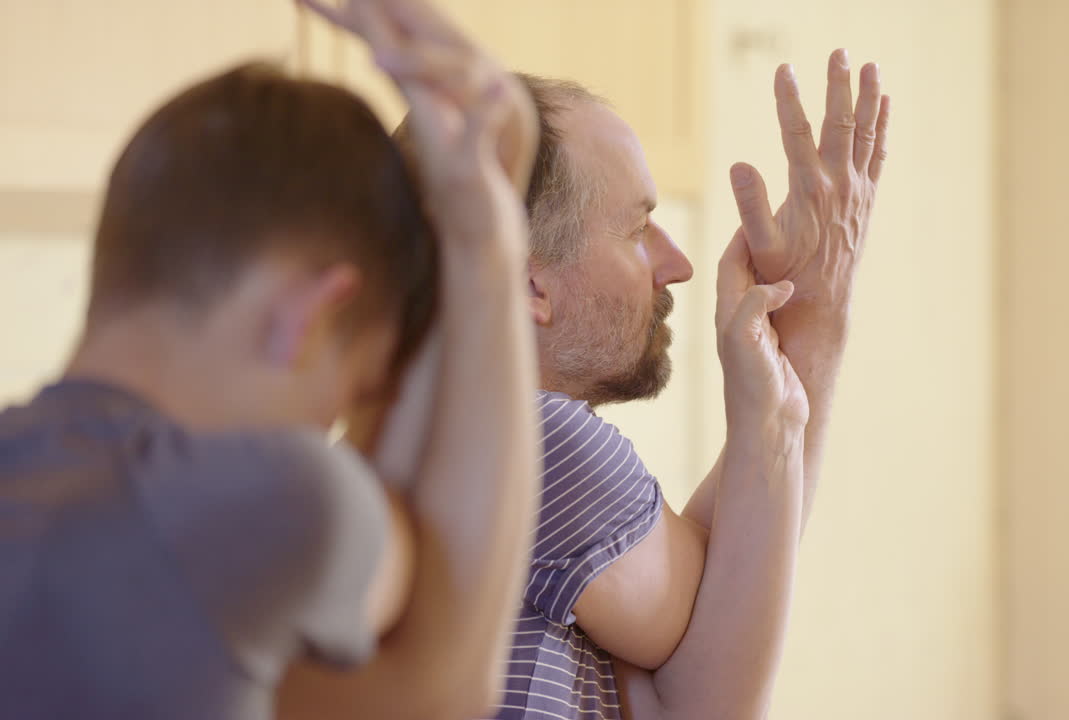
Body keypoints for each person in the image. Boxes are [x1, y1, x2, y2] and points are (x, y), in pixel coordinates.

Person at [0, 1, 539, 718]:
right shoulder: (263, 502)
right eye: (353, 393)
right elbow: (440, 685)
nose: (337, 431)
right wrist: (486, 242)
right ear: (308, 319)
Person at [393, 49, 891, 719]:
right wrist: (818, 319)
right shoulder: (529, 442)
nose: (677, 264)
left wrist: (799, 342)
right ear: (530, 283)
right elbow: (711, 696)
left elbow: (706, 630)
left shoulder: (427, 433)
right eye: (637, 229)